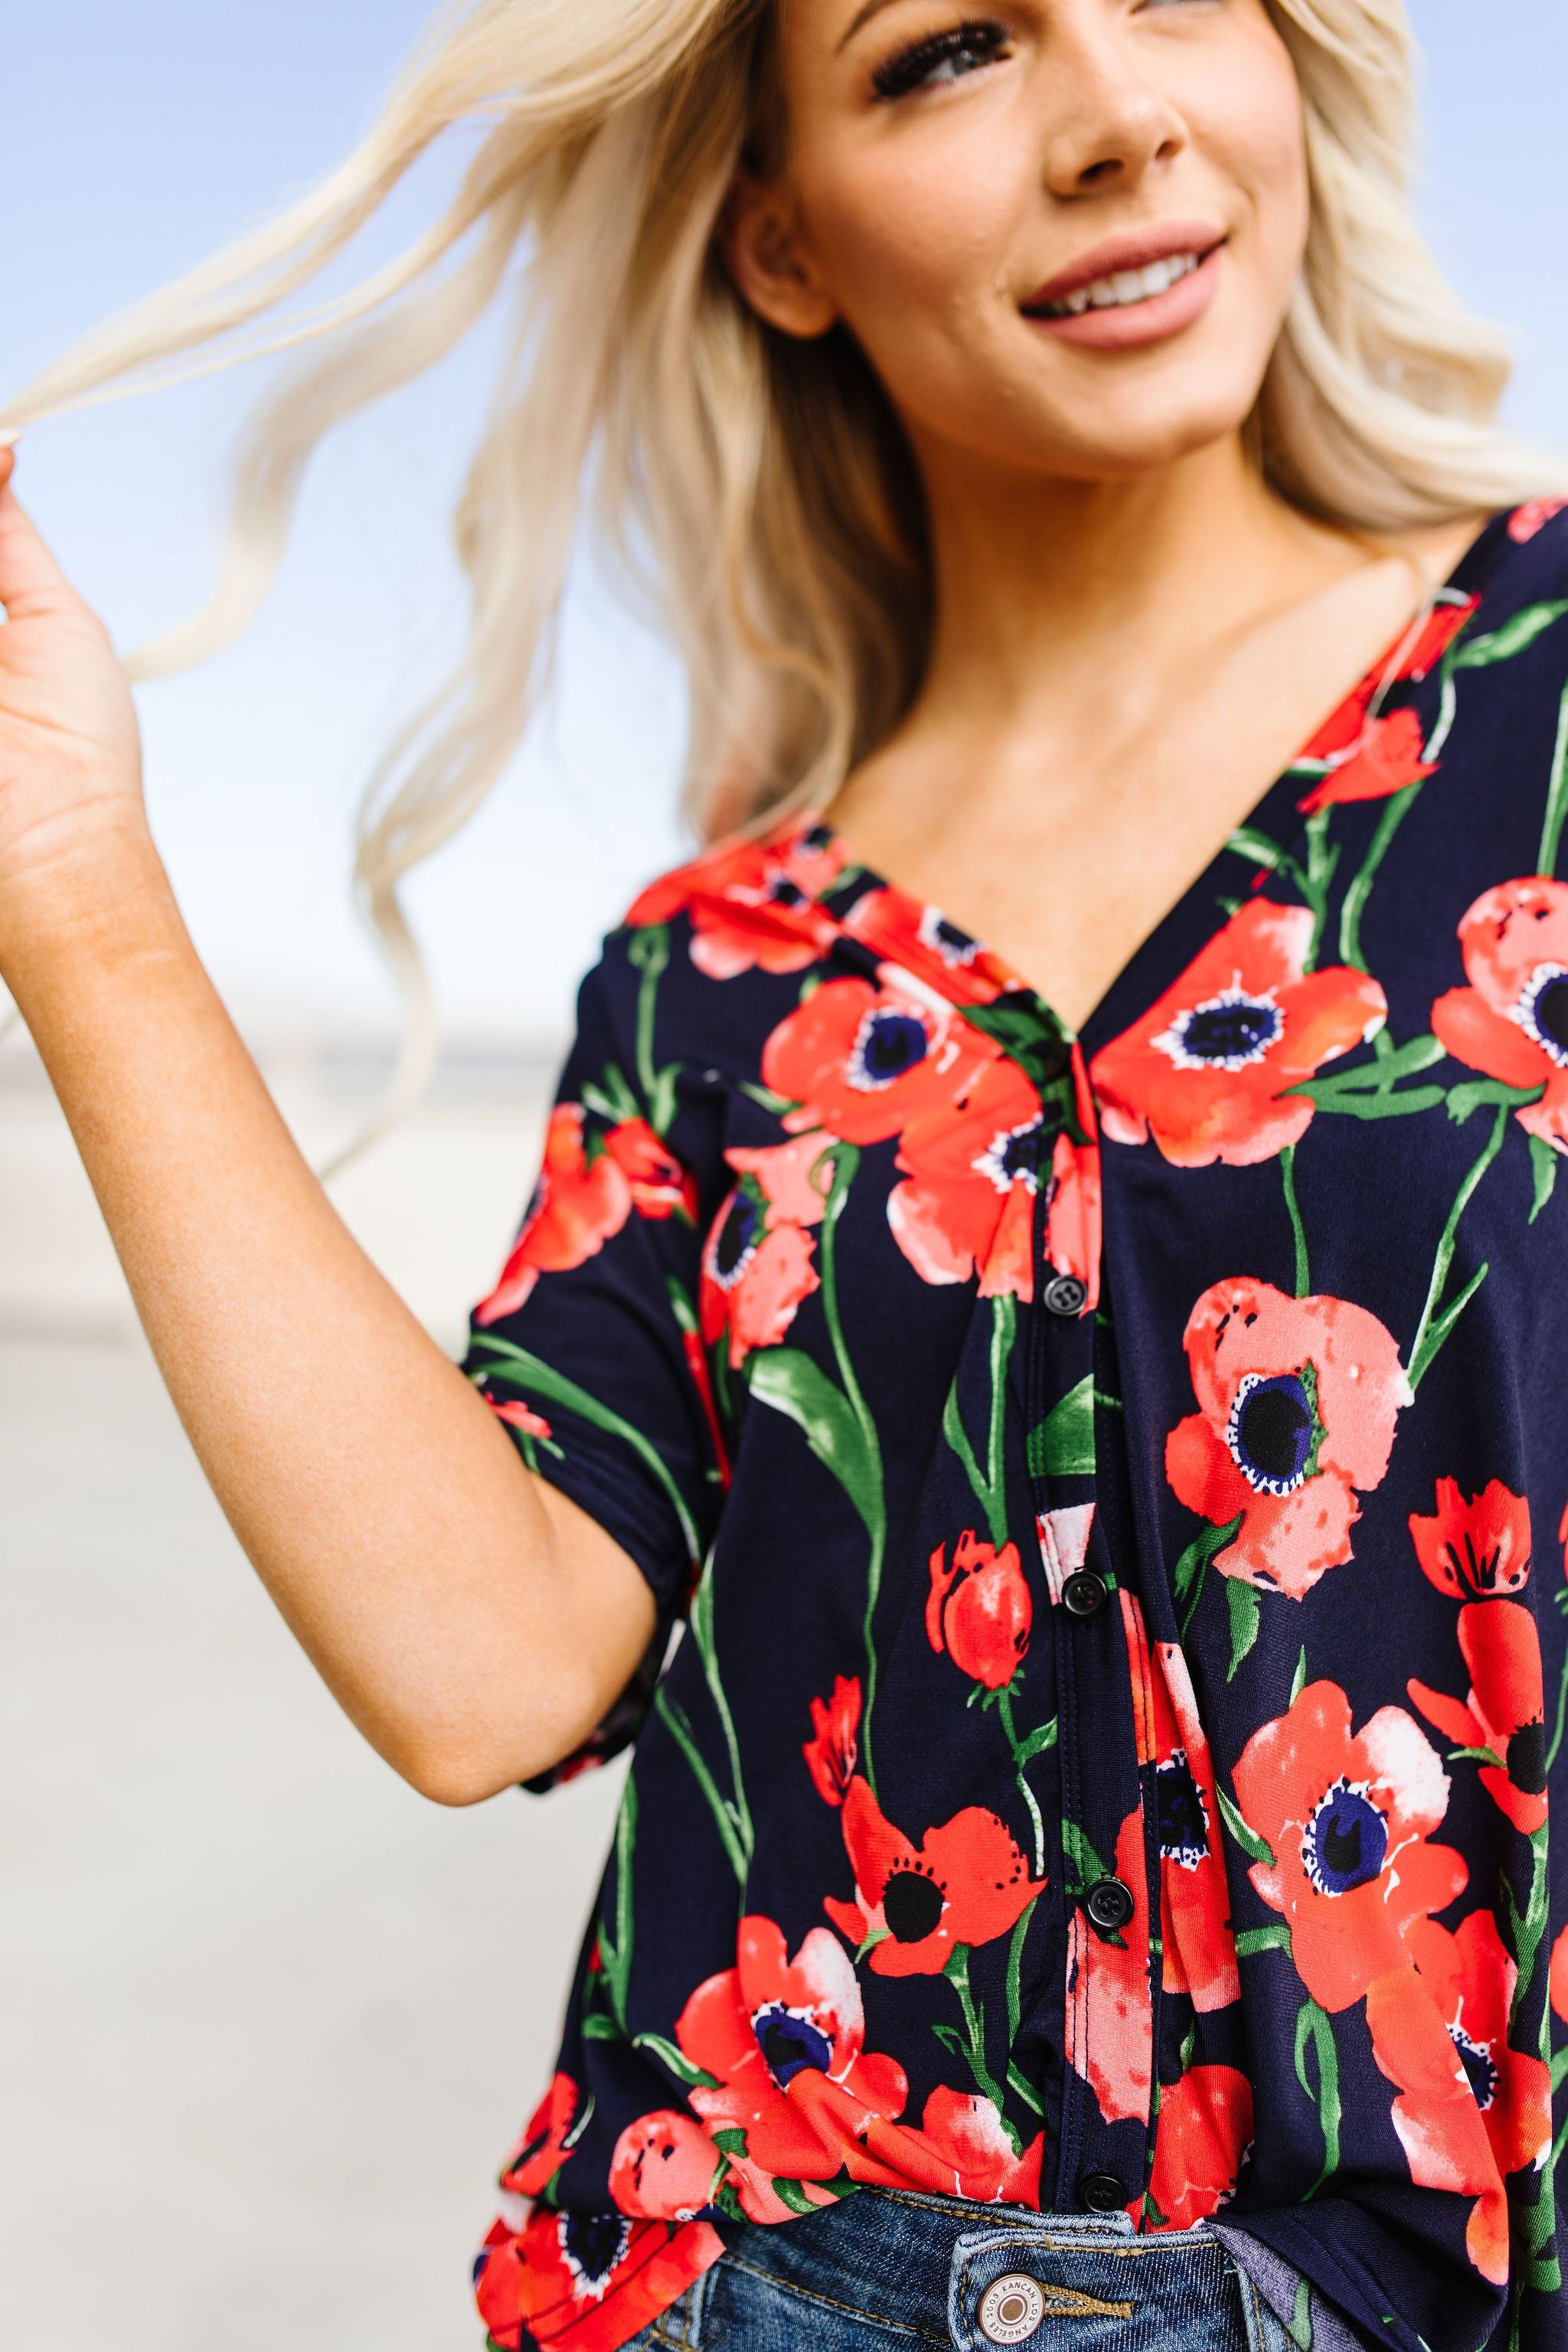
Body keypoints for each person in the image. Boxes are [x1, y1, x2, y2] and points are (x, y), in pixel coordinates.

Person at [2, 1, 1566, 2346]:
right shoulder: (722, 972)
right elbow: (484, 1669)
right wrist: (76, 891)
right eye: (950, 50)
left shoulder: (1539, 694)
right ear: (783, 244)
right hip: (751, 2278)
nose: (1119, 110)